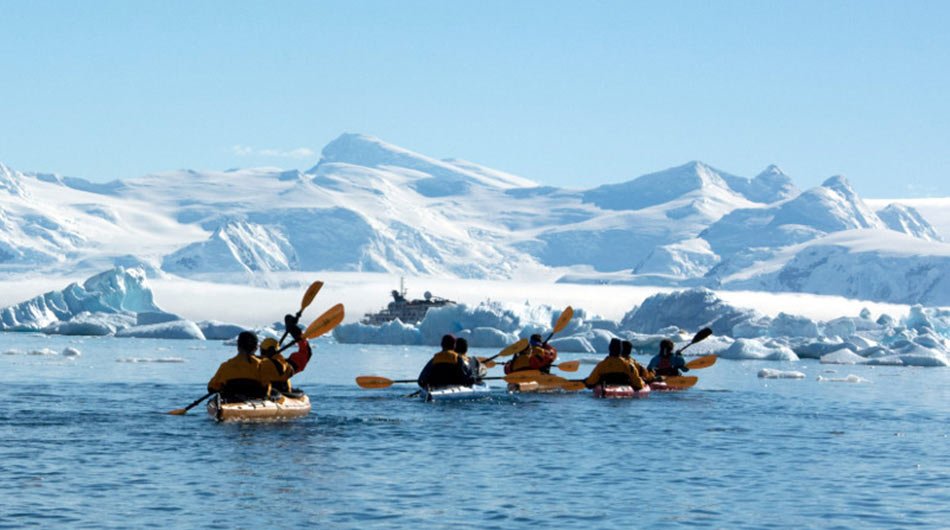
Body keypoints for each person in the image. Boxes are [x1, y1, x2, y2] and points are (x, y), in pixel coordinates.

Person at [207, 331, 283, 401]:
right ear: (256, 348)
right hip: (255, 399)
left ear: (238, 347)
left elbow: (211, 387)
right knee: (275, 393)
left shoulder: (226, 366)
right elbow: (266, 386)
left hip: (232, 399)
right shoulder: (262, 365)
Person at [258, 314, 313, 394]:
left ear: (262, 350)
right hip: (279, 395)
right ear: (277, 350)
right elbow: (306, 353)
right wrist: (296, 333)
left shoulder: (254, 363)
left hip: (258, 395)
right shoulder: (284, 366)